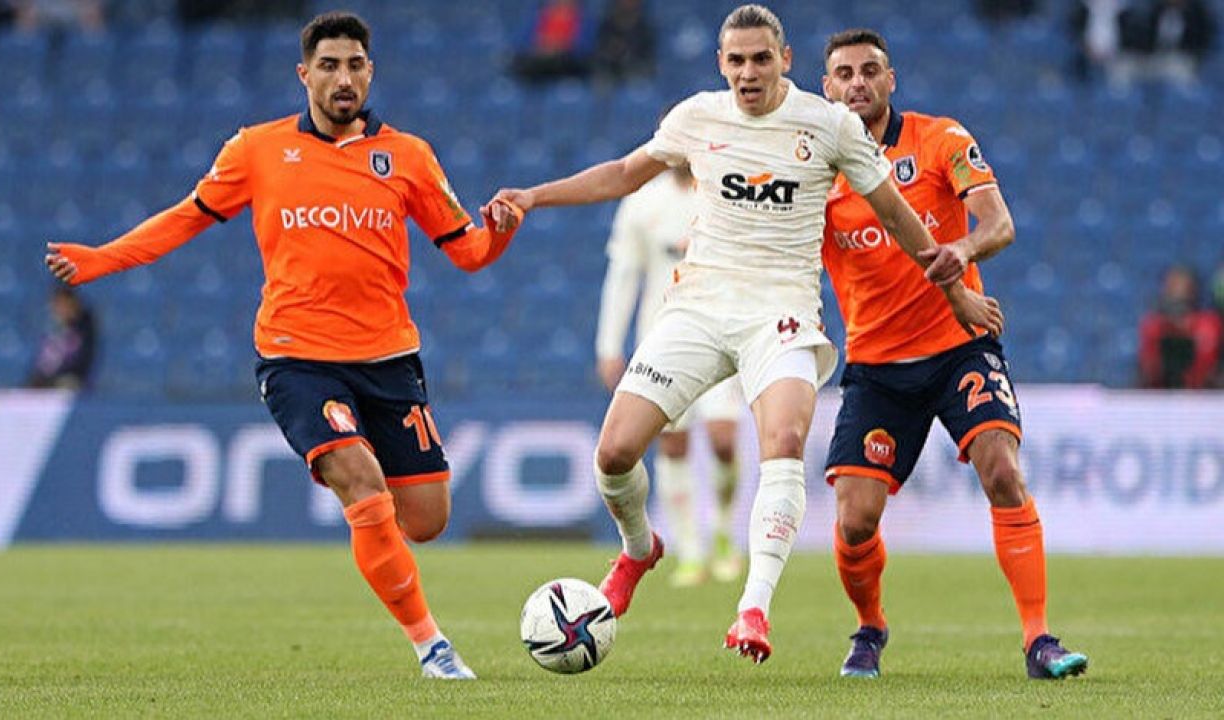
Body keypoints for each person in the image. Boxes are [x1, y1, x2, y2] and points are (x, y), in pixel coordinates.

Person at [486, 3, 1002, 664]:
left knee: (780, 443)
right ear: (721, 64)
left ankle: (753, 607)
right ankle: (640, 550)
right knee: (614, 454)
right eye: (737, 60)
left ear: (785, 60)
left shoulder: (829, 124)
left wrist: (956, 291)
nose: (749, 72)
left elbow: (899, 218)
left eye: (761, 59)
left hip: (781, 314)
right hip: (699, 307)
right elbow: (622, 174)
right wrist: (533, 196)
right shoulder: (697, 116)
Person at [45, 11, 523, 680]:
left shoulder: (409, 156)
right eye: (328, 66)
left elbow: (468, 253)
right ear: (304, 75)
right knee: (360, 480)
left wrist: (500, 230)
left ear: (370, 72)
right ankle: (432, 648)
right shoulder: (257, 149)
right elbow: (185, 218)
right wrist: (104, 258)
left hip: (388, 358)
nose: (342, 78)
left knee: (426, 519)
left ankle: (372, 523)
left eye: (354, 65)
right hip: (297, 356)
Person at [820, 28, 1089, 680]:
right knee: (856, 521)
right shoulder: (815, 172)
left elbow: (999, 222)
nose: (857, 83)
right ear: (826, 88)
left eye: (870, 71)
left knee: (1002, 471)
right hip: (877, 366)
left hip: (959, 347)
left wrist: (962, 251)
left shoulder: (940, 138)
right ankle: (870, 627)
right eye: (844, 74)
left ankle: (1039, 639)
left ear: (891, 80)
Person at [595, 161, 745, 588]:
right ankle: (690, 550)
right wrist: (609, 345)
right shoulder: (642, 202)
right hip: (662, 338)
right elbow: (623, 275)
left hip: (720, 334)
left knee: (722, 440)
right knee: (673, 444)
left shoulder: (725, 191)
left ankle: (723, 531)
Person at [1138, 265, 1221, 388]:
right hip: (1160, 393)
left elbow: (1212, 370)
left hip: (1205, 393)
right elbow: (1148, 371)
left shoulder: (1210, 325)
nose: (1178, 293)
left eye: (1183, 287)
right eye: (1173, 287)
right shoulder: (1153, 326)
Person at [27, 286, 96, 390]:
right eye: (58, 305)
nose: (61, 309)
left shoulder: (84, 328)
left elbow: (81, 360)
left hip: (73, 378)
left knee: (67, 384)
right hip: (49, 377)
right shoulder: (52, 327)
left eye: (64, 305)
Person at [511, 0, 595, 84]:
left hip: (564, 67)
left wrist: (557, 48)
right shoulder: (541, 17)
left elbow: (583, 49)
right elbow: (522, 44)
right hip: (537, 63)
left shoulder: (585, 21)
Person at [592, 0, 655, 85]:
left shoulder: (644, 29)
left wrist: (628, 53)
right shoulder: (607, 25)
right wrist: (612, 51)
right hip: (609, 70)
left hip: (634, 70)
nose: (628, 3)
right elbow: (599, 51)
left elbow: (648, 57)